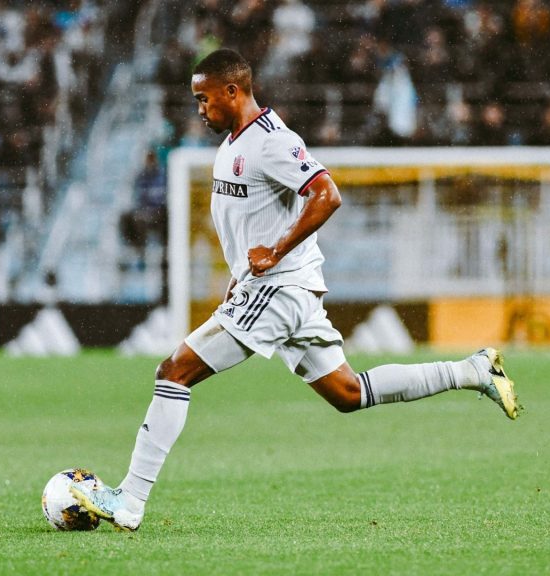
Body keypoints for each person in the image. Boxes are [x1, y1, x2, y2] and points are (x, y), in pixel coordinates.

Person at [70, 49, 522, 532]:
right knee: (349, 393)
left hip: (281, 289)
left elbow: (327, 194)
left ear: (232, 91)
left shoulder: (271, 141)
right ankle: (471, 370)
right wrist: (241, 273)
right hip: (275, 289)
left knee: (173, 372)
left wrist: (276, 252)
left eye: (204, 98)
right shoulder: (231, 145)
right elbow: (252, 225)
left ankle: (130, 502)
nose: (199, 108)